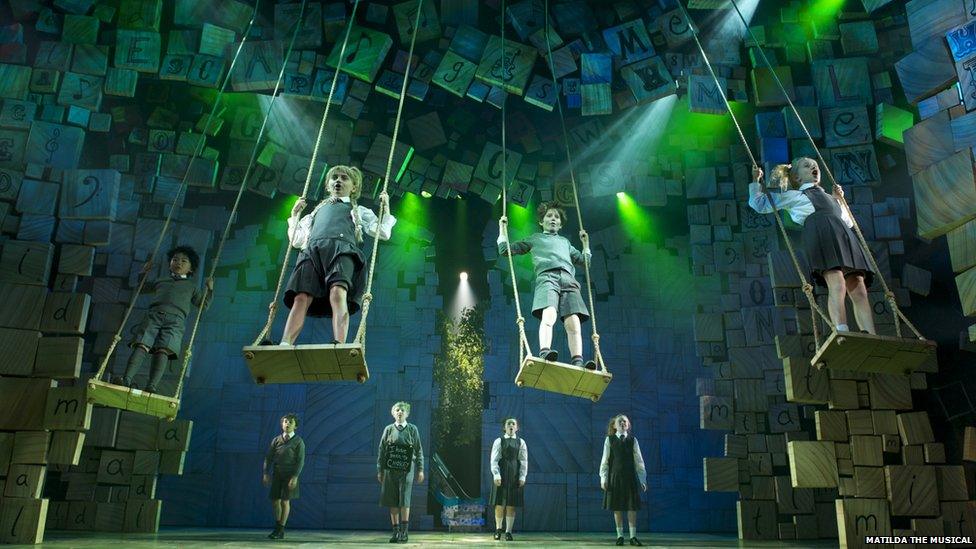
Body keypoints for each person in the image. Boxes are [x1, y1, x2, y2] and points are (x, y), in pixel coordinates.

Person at [749, 159, 876, 334]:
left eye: (815, 165)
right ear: (797, 177)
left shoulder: (832, 198)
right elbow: (760, 204)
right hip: (820, 234)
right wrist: (756, 181)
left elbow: (847, 221)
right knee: (837, 283)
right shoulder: (795, 196)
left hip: (842, 236)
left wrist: (840, 199)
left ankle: (870, 333)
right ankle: (842, 331)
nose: (813, 167)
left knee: (858, 286)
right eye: (807, 166)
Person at [281, 165, 395, 345]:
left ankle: (339, 342)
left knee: (337, 292)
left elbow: (382, 232)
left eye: (344, 178)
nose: (338, 181)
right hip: (313, 251)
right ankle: (285, 343)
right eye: (334, 177)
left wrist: (386, 208)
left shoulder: (357, 211)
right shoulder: (315, 213)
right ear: (327, 185)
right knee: (301, 296)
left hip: (342, 250)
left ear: (354, 187)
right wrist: (294, 215)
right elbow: (296, 240)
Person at [497, 202, 595, 369]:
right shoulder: (535, 238)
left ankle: (578, 360)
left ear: (561, 224)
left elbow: (585, 262)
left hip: (569, 280)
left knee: (574, 322)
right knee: (549, 314)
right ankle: (544, 351)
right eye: (549, 216)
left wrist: (585, 244)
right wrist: (502, 229)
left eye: (556, 217)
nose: (553, 219)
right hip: (547, 277)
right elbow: (505, 250)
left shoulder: (565, 243)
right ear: (541, 221)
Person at [112, 245, 212, 393]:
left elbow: (203, 304)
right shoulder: (161, 280)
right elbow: (142, 288)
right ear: (170, 263)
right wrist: (143, 273)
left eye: (184, 261)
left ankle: (152, 386)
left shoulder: (191, 287)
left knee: (163, 350)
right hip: (155, 314)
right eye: (175, 259)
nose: (178, 262)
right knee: (142, 344)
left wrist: (209, 289)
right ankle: (126, 379)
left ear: (190, 269)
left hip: (176, 321)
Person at [378, 401, 424, 543]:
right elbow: (382, 450)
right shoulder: (388, 429)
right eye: (397, 410)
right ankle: (395, 532)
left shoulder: (412, 429)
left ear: (407, 414)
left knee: (404, 500)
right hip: (390, 470)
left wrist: (421, 469)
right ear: (393, 413)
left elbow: (419, 450)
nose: (399, 412)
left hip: (407, 470)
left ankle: (405, 532)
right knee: (392, 500)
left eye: (402, 410)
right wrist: (380, 470)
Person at [600, 414, 646, 547]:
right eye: (619, 421)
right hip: (615, 478)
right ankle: (620, 536)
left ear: (628, 425)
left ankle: (633, 537)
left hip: (630, 477)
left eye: (625, 421)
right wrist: (603, 478)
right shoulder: (609, 440)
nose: (622, 423)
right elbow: (605, 461)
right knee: (617, 507)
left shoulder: (633, 440)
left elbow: (639, 462)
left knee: (632, 507)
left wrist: (642, 479)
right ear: (614, 425)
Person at [263, 413, 305, 540]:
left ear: (295, 426)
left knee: (285, 501)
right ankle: (278, 525)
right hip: (277, 473)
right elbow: (269, 458)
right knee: (275, 500)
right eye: (285, 421)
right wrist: (265, 473)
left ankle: (280, 528)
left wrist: (295, 476)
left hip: (290, 475)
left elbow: (300, 460)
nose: (287, 424)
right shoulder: (276, 440)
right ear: (282, 424)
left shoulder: (298, 441)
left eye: (290, 422)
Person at [489, 417, 528, 541]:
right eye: (508, 424)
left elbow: (523, 460)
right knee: (499, 504)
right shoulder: (499, 441)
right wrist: (496, 474)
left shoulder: (521, 442)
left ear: (517, 428)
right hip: (501, 474)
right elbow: (494, 459)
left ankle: (508, 532)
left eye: (513, 424)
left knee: (511, 505)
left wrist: (522, 476)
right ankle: (498, 529)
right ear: (504, 427)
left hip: (514, 475)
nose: (511, 425)